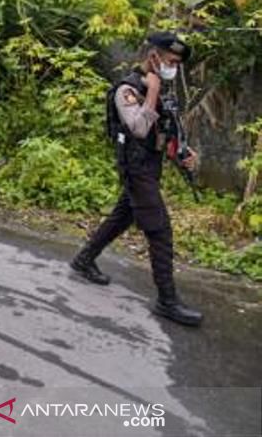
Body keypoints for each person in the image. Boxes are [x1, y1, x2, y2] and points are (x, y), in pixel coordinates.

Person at [70, 32, 203, 327]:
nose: (174, 68)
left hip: (149, 167)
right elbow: (139, 129)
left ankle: (84, 259)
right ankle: (167, 301)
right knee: (160, 231)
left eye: (178, 63)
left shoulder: (163, 89)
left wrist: (181, 151)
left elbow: (163, 131)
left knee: (122, 217)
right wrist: (152, 91)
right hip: (136, 169)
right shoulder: (128, 89)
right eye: (171, 61)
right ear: (153, 56)